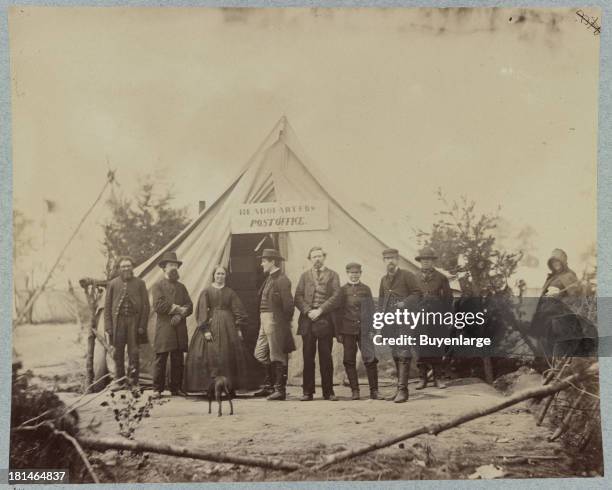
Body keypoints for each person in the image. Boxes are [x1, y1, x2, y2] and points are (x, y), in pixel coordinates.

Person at [184, 265, 249, 394]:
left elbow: (238, 310)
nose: (220, 276)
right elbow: (202, 311)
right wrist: (205, 330)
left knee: (228, 354)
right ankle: (211, 387)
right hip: (211, 325)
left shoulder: (230, 292)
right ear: (213, 275)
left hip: (228, 326)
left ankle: (229, 387)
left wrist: (238, 327)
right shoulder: (207, 291)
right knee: (210, 354)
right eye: (218, 274)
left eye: (222, 274)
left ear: (226, 276)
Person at [295, 246, 342, 401]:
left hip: (324, 320)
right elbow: (298, 297)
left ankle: (328, 392)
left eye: (319, 256)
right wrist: (308, 311)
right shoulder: (304, 276)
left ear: (324, 257)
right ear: (310, 259)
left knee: (326, 357)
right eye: (314, 256)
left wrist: (320, 310)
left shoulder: (333, 275)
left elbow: (336, 296)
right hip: (307, 320)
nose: (317, 259)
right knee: (307, 356)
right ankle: (307, 392)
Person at [378, 248, 422, 403]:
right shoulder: (383, 279)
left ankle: (403, 391)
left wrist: (405, 303)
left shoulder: (407, 275)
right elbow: (382, 301)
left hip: (405, 319)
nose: (390, 261)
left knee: (403, 352)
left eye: (393, 258)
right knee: (395, 353)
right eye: (387, 258)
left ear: (397, 260)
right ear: (384, 261)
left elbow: (417, 293)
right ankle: (398, 389)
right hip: (390, 321)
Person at [253, 249, 296, 401]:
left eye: (264, 260)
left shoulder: (282, 280)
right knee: (260, 353)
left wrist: (282, 324)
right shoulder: (269, 278)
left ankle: (279, 390)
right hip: (264, 319)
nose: (262, 263)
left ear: (272, 261)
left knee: (277, 355)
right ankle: (270, 386)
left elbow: (289, 306)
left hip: (274, 320)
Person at [151, 251, 193, 398]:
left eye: (175, 265)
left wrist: (181, 314)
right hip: (164, 327)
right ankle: (157, 389)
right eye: (170, 265)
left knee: (178, 358)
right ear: (164, 268)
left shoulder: (182, 287)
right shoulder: (157, 286)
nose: (173, 268)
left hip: (179, 326)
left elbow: (190, 306)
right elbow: (158, 305)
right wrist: (176, 308)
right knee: (161, 358)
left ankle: (176, 388)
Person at [104, 256, 150, 389]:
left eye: (128, 266)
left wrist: (142, 325)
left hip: (134, 323)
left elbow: (146, 306)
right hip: (118, 323)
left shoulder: (140, 283)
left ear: (132, 267)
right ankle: (120, 381)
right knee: (117, 353)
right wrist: (108, 326)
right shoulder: (112, 284)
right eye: (123, 266)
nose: (126, 269)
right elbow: (107, 307)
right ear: (119, 268)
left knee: (134, 353)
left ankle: (133, 382)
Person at [413, 247, 453, 390]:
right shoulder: (414, 277)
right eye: (423, 260)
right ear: (420, 261)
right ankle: (422, 378)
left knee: (437, 347)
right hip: (420, 318)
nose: (426, 262)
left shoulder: (441, 278)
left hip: (437, 317)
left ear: (432, 261)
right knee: (421, 348)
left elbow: (448, 299)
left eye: (429, 260)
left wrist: (447, 317)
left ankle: (438, 378)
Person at [337, 262, 378, 400]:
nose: (354, 275)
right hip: (347, 330)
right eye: (351, 273)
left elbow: (372, 310)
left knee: (370, 359)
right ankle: (355, 391)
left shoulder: (366, 289)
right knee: (349, 360)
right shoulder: (342, 290)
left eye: (357, 273)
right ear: (347, 273)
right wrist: (338, 333)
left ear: (360, 273)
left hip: (365, 330)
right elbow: (338, 312)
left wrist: (373, 329)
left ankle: (374, 391)